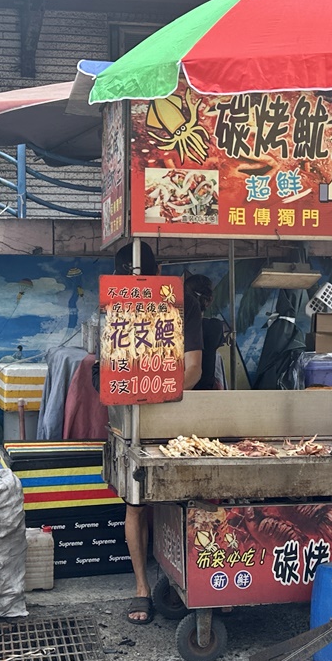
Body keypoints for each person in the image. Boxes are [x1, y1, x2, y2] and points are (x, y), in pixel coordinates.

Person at [115, 242, 203, 624]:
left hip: (174, 413)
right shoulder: (116, 303)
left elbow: (194, 368)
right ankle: (141, 587)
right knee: (136, 503)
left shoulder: (183, 303)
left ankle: (188, 580)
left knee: (183, 499)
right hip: (132, 416)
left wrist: (157, 397)